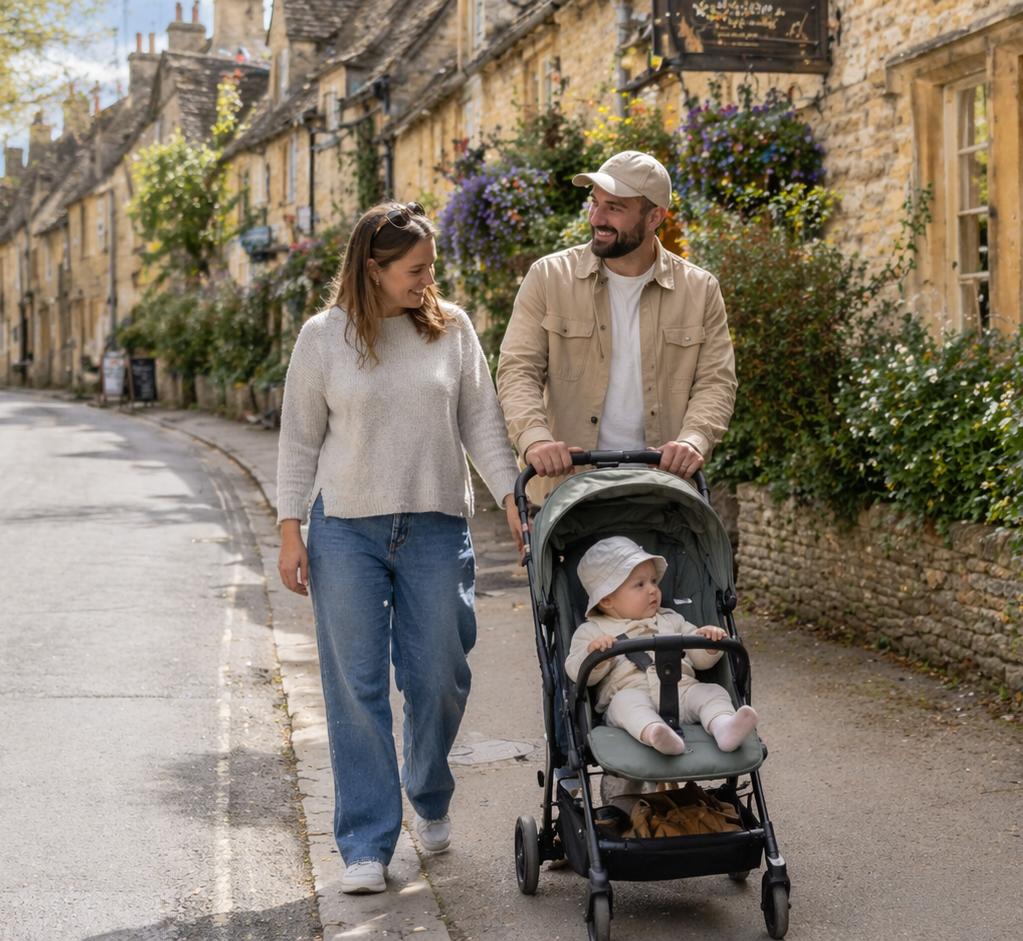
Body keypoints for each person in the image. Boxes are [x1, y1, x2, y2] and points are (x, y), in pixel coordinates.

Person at [274, 201, 523, 896]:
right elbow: (298, 440)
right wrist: (290, 527)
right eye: (416, 270)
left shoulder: (453, 329)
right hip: (345, 527)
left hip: (437, 524)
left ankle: (428, 785)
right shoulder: (323, 338)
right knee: (354, 687)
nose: (428, 279)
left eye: (432, 267)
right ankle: (366, 839)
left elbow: (482, 420)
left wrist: (510, 494)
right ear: (373, 269)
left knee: (439, 671)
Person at [496, 150, 737, 499]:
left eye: (615, 208)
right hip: (569, 494)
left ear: (655, 216)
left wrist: (692, 441)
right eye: (595, 203)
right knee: (635, 559)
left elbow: (716, 382)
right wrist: (536, 439)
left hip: (663, 491)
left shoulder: (699, 290)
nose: (597, 217)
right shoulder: (549, 277)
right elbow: (518, 370)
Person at [564, 536, 758, 756]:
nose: (652, 590)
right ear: (607, 600)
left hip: (682, 691)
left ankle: (724, 727)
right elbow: (575, 672)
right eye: (640, 584)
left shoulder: (671, 619)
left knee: (713, 692)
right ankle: (655, 732)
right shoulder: (593, 631)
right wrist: (594, 656)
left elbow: (699, 661)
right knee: (623, 704)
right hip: (632, 692)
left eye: (654, 581)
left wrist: (709, 644)